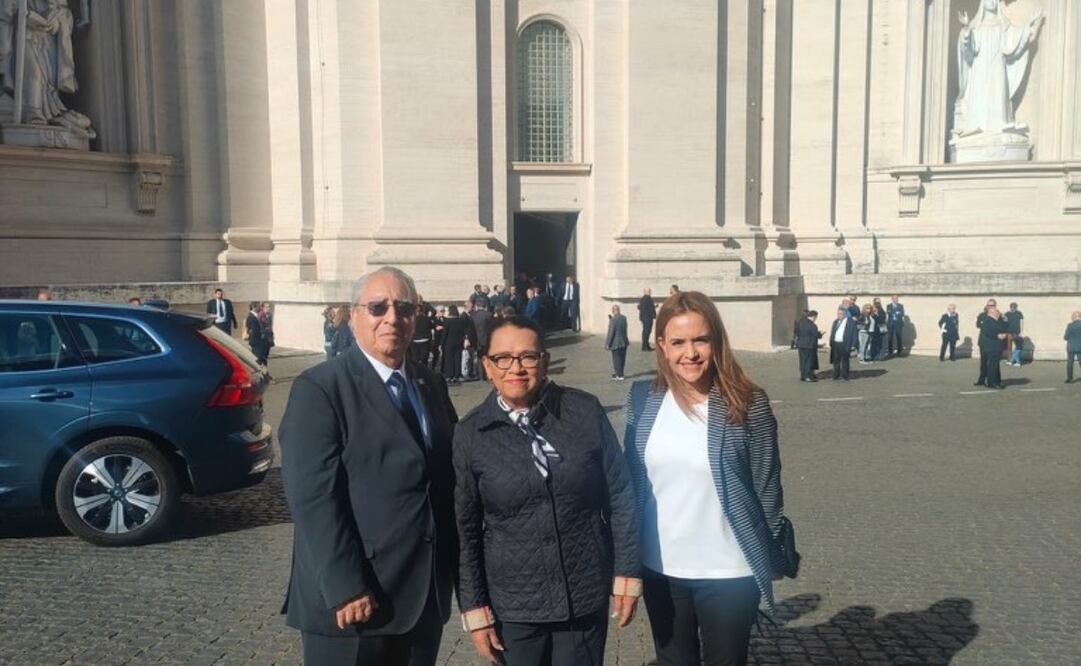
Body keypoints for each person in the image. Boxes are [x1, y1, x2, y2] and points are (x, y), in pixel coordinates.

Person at [279, 267, 458, 666]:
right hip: (355, 602)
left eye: (405, 308)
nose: (392, 318)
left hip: (422, 596)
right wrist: (345, 586)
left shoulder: (431, 384)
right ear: (355, 315)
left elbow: (446, 478)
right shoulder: (320, 388)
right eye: (378, 307)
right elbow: (313, 498)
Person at [454, 316, 640, 666]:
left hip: (583, 593)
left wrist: (627, 571)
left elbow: (621, 495)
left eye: (528, 356)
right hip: (514, 605)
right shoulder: (470, 433)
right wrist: (474, 608)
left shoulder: (583, 410)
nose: (516, 368)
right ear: (487, 366)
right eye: (503, 358)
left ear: (545, 361)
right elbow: (466, 531)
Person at [623, 290, 787, 666]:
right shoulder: (642, 399)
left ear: (716, 341)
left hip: (729, 569)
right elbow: (632, 485)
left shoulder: (747, 402)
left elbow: (767, 486)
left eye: (700, 340)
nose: (690, 353)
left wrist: (772, 552)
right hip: (660, 567)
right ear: (662, 345)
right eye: (678, 342)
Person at [976, 305, 1008, 389]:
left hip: (996, 346)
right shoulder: (987, 321)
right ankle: (992, 382)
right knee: (992, 365)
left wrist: (1004, 321)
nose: (999, 313)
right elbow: (987, 332)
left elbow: (1004, 327)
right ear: (992, 312)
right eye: (997, 311)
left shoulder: (997, 320)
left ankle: (997, 381)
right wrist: (998, 336)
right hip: (991, 346)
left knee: (995, 364)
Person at [440, 304, 472, 385]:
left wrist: (441, 343)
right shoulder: (460, 321)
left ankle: (449, 376)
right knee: (457, 359)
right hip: (458, 342)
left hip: (449, 343)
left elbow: (445, 333)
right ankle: (456, 375)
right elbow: (463, 331)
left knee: (449, 359)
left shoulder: (447, 321)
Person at [829, 308, 857, 380]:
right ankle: (836, 375)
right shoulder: (835, 322)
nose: (839, 315)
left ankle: (845, 375)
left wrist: (853, 345)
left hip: (845, 343)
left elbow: (854, 334)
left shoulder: (851, 322)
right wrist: (831, 341)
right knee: (836, 360)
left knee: (845, 360)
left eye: (841, 314)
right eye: (838, 314)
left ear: (845, 314)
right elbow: (832, 332)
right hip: (836, 343)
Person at [794, 310, 821, 382]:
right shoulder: (812, 325)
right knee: (809, 361)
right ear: (813, 317)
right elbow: (816, 334)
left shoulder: (800, 323)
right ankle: (808, 376)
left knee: (802, 361)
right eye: (816, 317)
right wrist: (820, 334)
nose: (815, 319)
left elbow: (796, 332)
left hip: (801, 345)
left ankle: (803, 376)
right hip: (809, 345)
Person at [606, 304, 629, 381]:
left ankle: (619, 375)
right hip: (624, 341)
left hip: (616, 343)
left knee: (616, 359)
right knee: (622, 359)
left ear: (613, 311)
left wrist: (607, 344)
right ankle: (620, 373)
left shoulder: (613, 320)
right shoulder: (624, 318)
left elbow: (611, 333)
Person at [411, 301, 434, 367]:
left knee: (415, 358)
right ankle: (424, 371)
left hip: (414, 340)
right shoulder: (427, 318)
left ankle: (415, 372)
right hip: (425, 339)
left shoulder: (412, 319)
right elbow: (431, 326)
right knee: (424, 358)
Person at [1004, 302, 1024, 366]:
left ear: (1016, 307)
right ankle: (1009, 360)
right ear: (1010, 307)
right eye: (1012, 307)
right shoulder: (1006, 314)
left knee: (1018, 347)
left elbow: (1021, 322)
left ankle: (1017, 361)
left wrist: (1021, 332)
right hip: (1009, 332)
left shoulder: (1019, 313)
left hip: (1017, 332)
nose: (1013, 308)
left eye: (1015, 307)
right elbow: (1004, 323)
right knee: (1009, 347)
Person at [1064, 311, 1081, 384]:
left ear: (1074, 317)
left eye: (1072, 316)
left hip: (1071, 347)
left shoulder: (1069, 325)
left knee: (1070, 363)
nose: (1071, 318)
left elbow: (1066, 337)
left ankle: (1070, 379)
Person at [638, 287, 657, 351]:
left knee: (645, 332)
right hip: (648, 318)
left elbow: (640, 307)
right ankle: (645, 346)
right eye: (649, 291)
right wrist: (654, 315)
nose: (650, 292)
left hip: (644, 318)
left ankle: (645, 345)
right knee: (647, 332)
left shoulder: (642, 299)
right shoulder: (648, 298)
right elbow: (650, 308)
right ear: (647, 292)